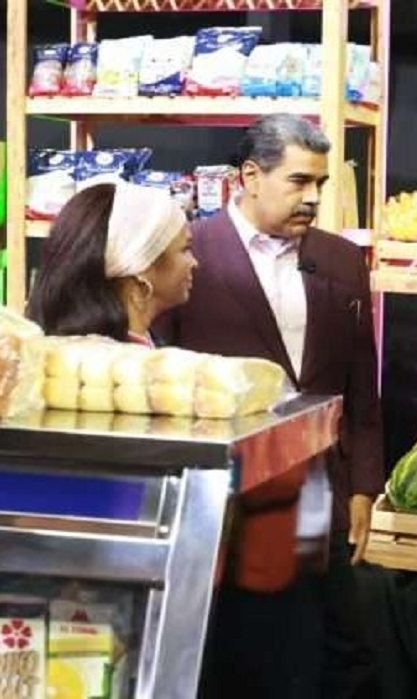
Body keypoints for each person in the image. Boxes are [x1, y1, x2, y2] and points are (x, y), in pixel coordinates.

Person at [153, 113, 383, 699]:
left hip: (321, 492)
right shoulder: (189, 253)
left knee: (340, 650)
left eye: (320, 184)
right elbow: (162, 372)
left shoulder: (341, 259)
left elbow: (361, 381)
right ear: (250, 177)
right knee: (238, 653)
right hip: (227, 497)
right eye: (299, 181)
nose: (313, 198)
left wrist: (364, 486)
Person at [27, 182, 195, 344]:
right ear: (140, 269)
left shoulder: (60, 351)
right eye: (185, 249)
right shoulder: (117, 362)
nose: (195, 263)